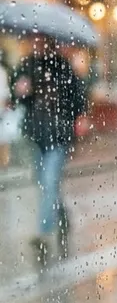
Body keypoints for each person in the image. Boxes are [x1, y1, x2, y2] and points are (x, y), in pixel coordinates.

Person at [12, 34, 87, 266]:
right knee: (46, 184)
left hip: (59, 135)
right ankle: (62, 216)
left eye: (41, 41)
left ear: (49, 42)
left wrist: (79, 118)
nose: (37, 45)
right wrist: (20, 91)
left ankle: (43, 233)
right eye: (34, 41)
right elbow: (18, 100)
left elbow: (77, 97)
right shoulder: (26, 65)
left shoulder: (62, 65)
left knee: (50, 181)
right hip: (36, 135)